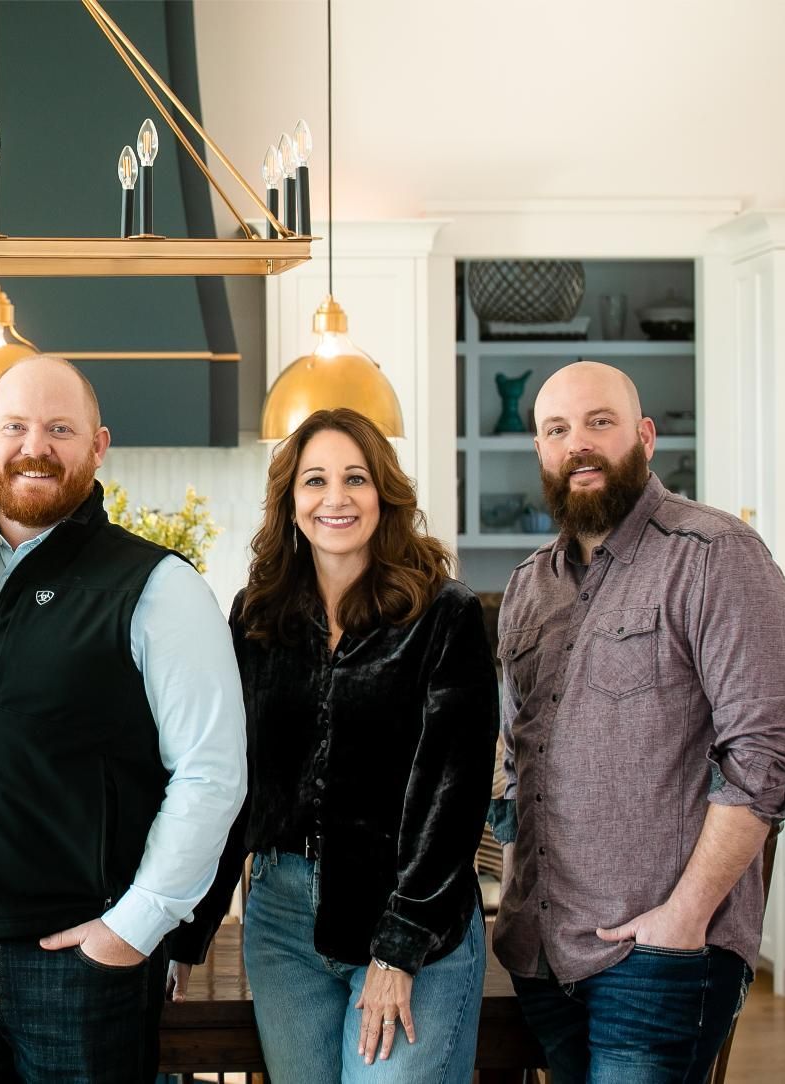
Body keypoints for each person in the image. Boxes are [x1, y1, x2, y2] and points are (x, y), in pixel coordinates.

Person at [0, 354, 246, 1083]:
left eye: (59, 428)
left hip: (79, 963)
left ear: (98, 447)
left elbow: (212, 772)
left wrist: (132, 929)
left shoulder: (157, 586)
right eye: (14, 426)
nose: (34, 446)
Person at [493, 361, 785, 1083]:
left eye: (598, 422)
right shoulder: (525, 589)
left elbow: (761, 754)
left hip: (658, 958)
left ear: (643, 436)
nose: (578, 443)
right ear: (541, 451)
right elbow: (518, 765)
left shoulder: (717, 556)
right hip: (542, 952)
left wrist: (684, 918)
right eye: (557, 429)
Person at [167, 407, 498, 1083]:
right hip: (281, 923)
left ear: (385, 495)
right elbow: (233, 781)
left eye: (356, 478)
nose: (336, 498)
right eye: (315, 481)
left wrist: (400, 949)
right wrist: (188, 933)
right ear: (291, 504)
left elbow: (452, 797)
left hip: (410, 919)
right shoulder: (257, 616)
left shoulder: (445, 615)